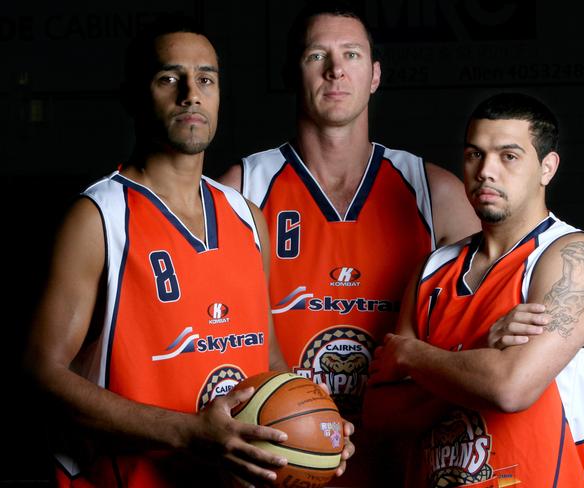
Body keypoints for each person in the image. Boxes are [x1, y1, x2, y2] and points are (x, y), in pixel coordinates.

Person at [23, 17, 352, 487]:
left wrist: (315, 432)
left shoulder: (248, 217)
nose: (190, 94)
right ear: (135, 97)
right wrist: (186, 432)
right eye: (168, 78)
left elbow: (270, 360)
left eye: (205, 79)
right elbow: (40, 375)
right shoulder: (99, 218)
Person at [218, 2, 480, 485]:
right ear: (292, 73)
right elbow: (203, 327)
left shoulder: (434, 193)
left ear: (375, 75)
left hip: (402, 459)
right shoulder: (241, 188)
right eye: (318, 55)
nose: (336, 69)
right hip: (277, 460)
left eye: (353, 55)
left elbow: (479, 329)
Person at [366, 92, 584, 487]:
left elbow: (511, 387)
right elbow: (380, 414)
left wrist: (413, 355)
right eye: (474, 154)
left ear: (547, 168)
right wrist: (480, 355)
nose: (486, 170)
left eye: (509, 156)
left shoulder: (574, 257)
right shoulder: (431, 270)